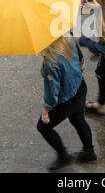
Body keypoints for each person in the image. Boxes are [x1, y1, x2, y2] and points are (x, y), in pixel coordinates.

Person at [36, 34, 96, 170]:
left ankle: (63, 156)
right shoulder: (68, 37)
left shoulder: (50, 61)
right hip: (79, 88)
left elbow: (52, 93)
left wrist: (46, 110)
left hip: (66, 100)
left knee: (43, 127)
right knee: (78, 119)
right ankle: (89, 152)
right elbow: (81, 60)